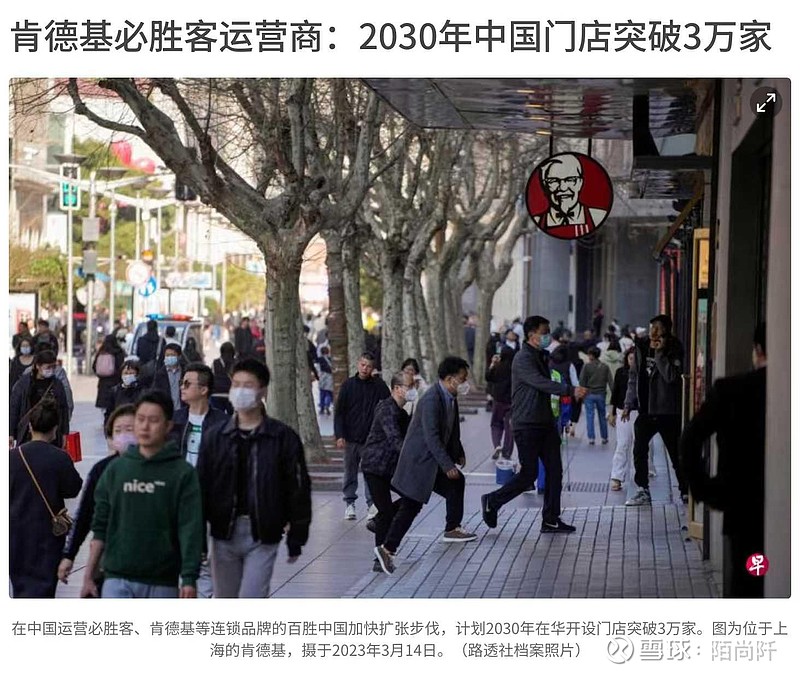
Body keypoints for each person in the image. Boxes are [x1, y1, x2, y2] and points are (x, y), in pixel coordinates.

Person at [196, 358, 312, 598]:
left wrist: (297, 536)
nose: (240, 391)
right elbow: (200, 488)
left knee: (253, 595)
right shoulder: (215, 437)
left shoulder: (282, 437)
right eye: (236, 384)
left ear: (262, 391)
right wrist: (197, 540)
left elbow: (298, 488)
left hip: (263, 532)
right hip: (223, 532)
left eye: (248, 385)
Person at [80, 391, 203, 599]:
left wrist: (189, 578)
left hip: (162, 581)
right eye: (140, 419)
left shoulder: (182, 473)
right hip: (116, 577)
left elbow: (190, 527)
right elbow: (100, 526)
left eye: (153, 420)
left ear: (168, 426)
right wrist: (88, 576)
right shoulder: (115, 470)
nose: (145, 427)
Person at [680, 324, 767, 598]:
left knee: (751, 581)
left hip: (745, 509)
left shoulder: (733, 390)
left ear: (757, 350)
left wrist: (706, 490)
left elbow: (690, 438)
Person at [480, 316, 587, 534]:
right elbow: (540, 383)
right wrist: (569, 390)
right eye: (544, 332)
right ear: (532, 335)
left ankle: (551, 519)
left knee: (555, 471)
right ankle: (493, 500)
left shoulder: (541, 356)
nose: (548, 336)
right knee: (529, 474)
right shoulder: (523, 358)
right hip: (527, 423)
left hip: (545, 422)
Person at [374, 357, 478, 575]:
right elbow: (432, 437)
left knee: (456, 483)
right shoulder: (431, 399)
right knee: (411, 506)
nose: (464, 383)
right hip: (419, 462)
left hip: (431, 461)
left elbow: (451, 430)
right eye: (462, 379)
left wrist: (458, 453)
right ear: (449, 379)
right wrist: (447, 465)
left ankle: (452, 528)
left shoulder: (450, 397)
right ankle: (387, 549)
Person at [58, 404, 137, 593]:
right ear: (110, 437)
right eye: (118, 430)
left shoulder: (159, 468)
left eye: (129, 429)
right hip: (111, 559)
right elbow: (85, 514)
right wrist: (69, 554)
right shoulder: (102, 470)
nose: (124, 435)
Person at [10, 401, 83, 597]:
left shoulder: (12, 458)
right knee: (45, 590)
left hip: (16, 534)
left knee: (20, 588)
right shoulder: (60, 458)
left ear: (30, 426)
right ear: (55, 429)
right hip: (48, 536)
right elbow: (73, 489)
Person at [170, 363, 229, 598]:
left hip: (208, 502)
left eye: (187, 383)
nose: (181, 387)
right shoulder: (174, 421)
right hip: (177, 500)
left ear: (204, 390)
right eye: (181, 383)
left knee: (205, 561)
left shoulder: (222, 423)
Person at [622, 314, 689, 506]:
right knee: (639, 450)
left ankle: (685, 490)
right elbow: (633, 377)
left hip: (667, 411)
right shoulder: (642, 346)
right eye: (652, 327)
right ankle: (642, 489)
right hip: (646, 410)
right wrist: (628, 404)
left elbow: (671, 377)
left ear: (666, 330)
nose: (653, 332)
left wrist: (660, 354)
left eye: (658, 328)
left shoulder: (673, 347)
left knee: (675, 453)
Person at [361, 372, 412, 572]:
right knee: (386, 511)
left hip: (390, 468)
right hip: (375, 467)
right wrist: (411, 458)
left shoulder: (402, 412)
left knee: (412, 498)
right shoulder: (386, 409)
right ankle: (379, 560)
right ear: (397, 389)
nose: (413, 390)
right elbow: (395, 439)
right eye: (409, 386)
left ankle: (377, 522)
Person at [334, 352, 391, 520]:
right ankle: (349, 503)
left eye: (369, 366)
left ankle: (371, 504)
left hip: (371, 439)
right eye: (363, 365)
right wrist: (339, 435)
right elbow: (339, 412)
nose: (365, 369)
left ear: (373, 368)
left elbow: (389, 406)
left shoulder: (379, 386)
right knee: (350, 471)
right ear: (358, 364)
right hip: (350, 438)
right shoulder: (348, 385)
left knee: (370, 473)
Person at [531, 155, 609, 239]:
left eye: (570, 180)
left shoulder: (597, 216)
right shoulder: (538, 220)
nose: (563, 188)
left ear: (580, 183)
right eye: (554, 181)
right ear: (545, 185)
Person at [10, 349, 70, 448]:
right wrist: (11, 433)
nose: (51, 370)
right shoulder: (24, 384)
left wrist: (64, 433)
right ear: (37, 366)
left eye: (53, 367)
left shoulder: (57, 384)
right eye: (48, 367)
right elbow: (14, 407)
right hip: (28, 433)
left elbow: (64, 409)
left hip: (52, 434)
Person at [608, 348, 636, 491]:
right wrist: (612, 413)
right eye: (630, 358)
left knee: (639, 446)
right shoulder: (621, 372)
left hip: (638, 412)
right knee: (623, 443)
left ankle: (638, 476)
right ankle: (617, 477)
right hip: (621, 411)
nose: (632, 361)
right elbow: (615, 392)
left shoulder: (643, 373)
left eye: (634, 359)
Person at [579, 346, 614, 445]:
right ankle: (604, 437)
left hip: (589, 394)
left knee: (590, 416)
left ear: (591, 355)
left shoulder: (586, 366)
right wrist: (614, 395)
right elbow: (610, 382)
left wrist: (582, 393)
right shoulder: (605, 367)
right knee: (602, 416)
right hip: (601, 394)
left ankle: (591, 438)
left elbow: (582, 381)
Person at [486, 345, 515, 460]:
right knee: (510, 427)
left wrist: (492, 363)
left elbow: (488, 377)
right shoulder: (515, 369)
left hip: (498, 400)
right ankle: (507, 452)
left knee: (496, 424)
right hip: (511, 401)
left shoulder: (497, 367)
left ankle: (497, 445)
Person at [104, 360, 145, 424]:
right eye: (126, 373)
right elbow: (109, 412)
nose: (128, 376)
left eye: (131, 373)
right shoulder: (115, 391)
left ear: (136, 375)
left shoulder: (142, 391)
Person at [93, 333, 126, 413]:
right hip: (115, 382)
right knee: (114, 405)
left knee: (105, 408)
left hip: (103, 383)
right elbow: (121, 367)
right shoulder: (118, 352)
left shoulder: (101, 352)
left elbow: (94, 366)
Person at [152, 343, 184, 412]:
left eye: (172, 355)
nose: (169, 357)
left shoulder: (185, 372)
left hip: (182, 410)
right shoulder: (160, 374)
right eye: (167, 355)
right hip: (167, 411)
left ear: (179, 356)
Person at [211, 341, 235, 413]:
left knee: (218, 416)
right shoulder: (235, 363)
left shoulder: (215, 363)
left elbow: (211, 376)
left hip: (216, 394)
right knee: (232, 417)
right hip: (231, 394)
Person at [317, 345, 334, 415]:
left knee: (322, 393)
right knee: (329, 393)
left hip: (322, 377)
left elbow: (318, 368)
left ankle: (322, 407)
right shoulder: (330, 359)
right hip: (329, 377)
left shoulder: (320, 359)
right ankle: (327, 404)